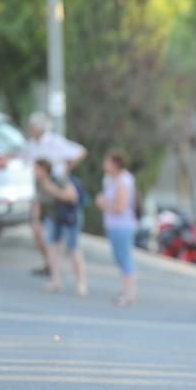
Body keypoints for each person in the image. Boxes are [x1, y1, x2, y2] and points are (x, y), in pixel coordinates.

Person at [22, 112, 87, 276]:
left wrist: (65, 169)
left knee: (55, 229)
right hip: (40, 186)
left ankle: (57, 267)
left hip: (55, 184)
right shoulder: (31, 144)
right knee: (37, 227)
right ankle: (50, 264)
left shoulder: (55, 142)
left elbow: (80, 151)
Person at [33, 159, 87, 296]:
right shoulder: (38, 183)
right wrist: (36, 221)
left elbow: (72, 197)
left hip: (70, 217)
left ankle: (81, 283)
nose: (34, 172)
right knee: (52, 248)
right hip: (53, 218)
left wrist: (52, 189)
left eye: (37, 169)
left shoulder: (59, 180)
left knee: (73, 248)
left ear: (44, 169)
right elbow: (38, 202)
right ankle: (56, 280)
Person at [96, 150, 138, 307]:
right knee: (121, 258)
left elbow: (121, 206)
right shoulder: (112, 180)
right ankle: (126, 292)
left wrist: (103, 203)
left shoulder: (123, 181)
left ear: (115, 164)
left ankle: (129, 295)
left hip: (123, 226)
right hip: (115, 226)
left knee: (125, 259)